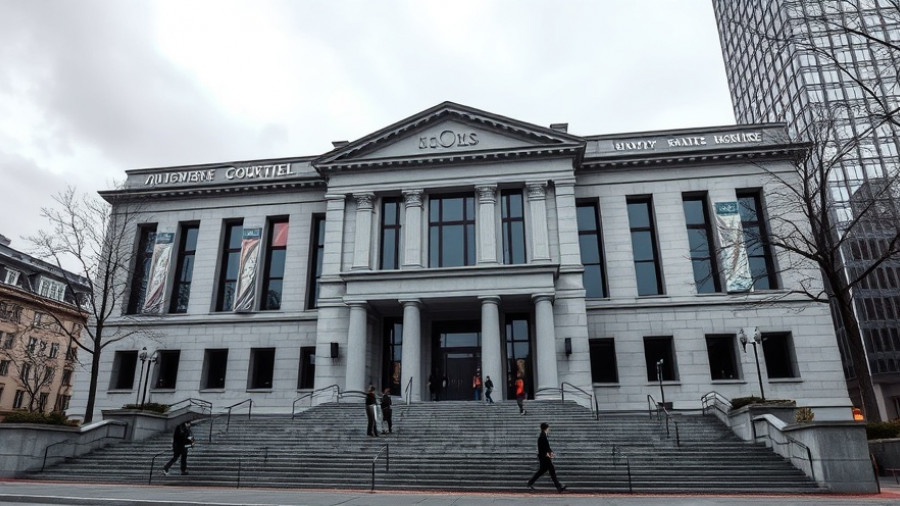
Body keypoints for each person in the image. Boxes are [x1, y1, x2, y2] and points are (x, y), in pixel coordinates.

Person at [526, 422, 567, 493]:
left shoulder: (542, 436)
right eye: (548, 428)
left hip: (543, 457)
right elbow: (545, 448)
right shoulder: (543, 436)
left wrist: (550, 453)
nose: (549, 429)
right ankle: (559, 487)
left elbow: (545, 447)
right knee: (552, 471)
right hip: (545, 457)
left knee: (542, 471)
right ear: (546, 428)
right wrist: (549, 454)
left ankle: (530, 483)